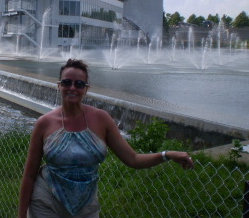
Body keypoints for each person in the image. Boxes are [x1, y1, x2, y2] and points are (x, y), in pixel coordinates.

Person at [18, 59, 194, 218]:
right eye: (66, 82)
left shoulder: (101, 119)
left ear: (86, 89)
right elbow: (29, 175)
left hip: (85, 206)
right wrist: (21, 215)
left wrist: (167, 155)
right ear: (58, 86)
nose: (72, 88)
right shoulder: (44, 123)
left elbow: (132, 159)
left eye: (79, 84)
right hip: (46, 201)